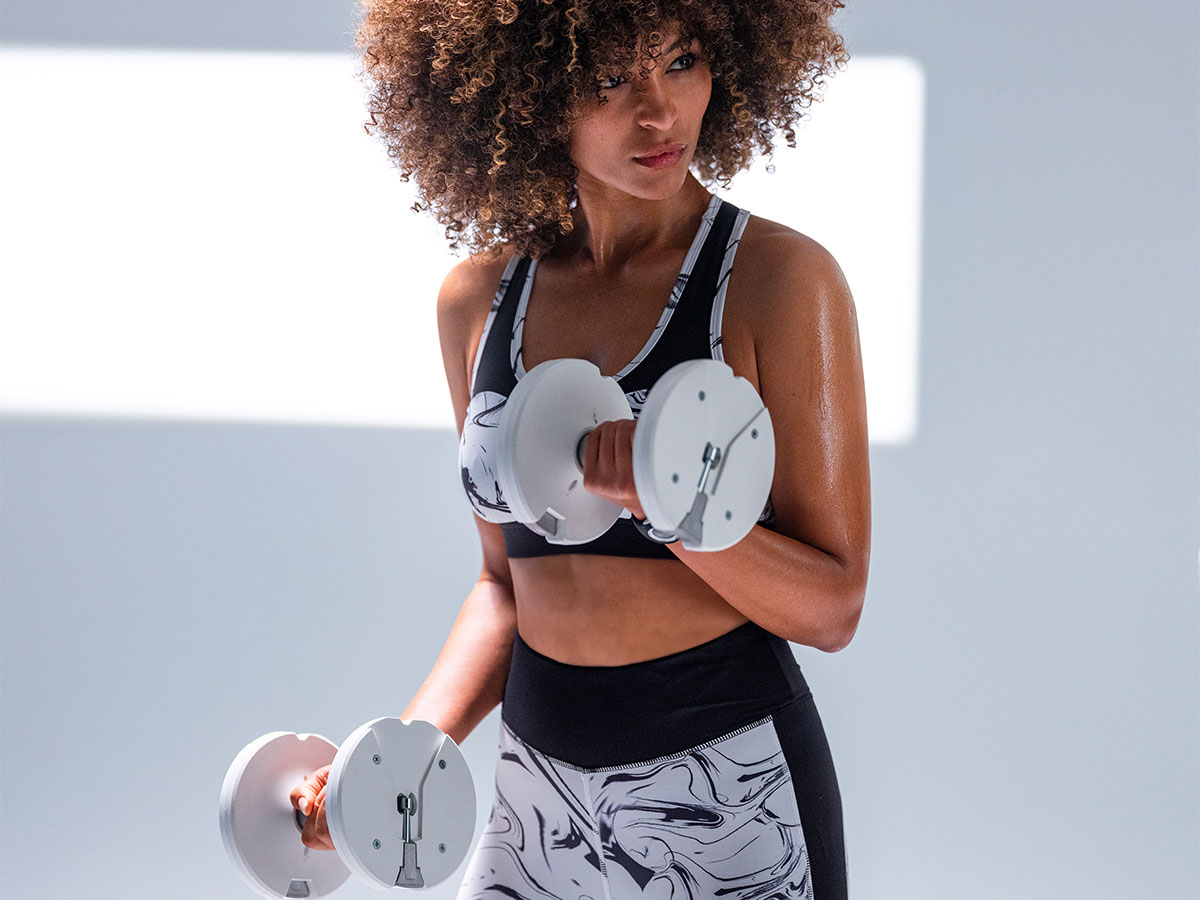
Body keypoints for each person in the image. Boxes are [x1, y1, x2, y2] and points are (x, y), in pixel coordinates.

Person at [291, 1, 869, 897]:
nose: (660, 112)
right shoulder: (476, 302)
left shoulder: (779, 283)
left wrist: (669, 505)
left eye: (682, 61)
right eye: (608, 79)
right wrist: (404, 758)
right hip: (537, 789)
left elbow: (833, 605)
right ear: (525, 96)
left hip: (724, 789)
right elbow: (503, 586)